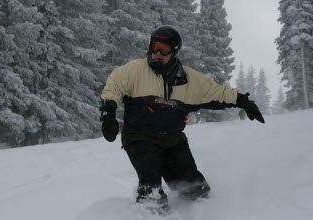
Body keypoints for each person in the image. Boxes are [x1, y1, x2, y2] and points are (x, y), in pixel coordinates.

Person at [99, 25, 264, 209]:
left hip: (172, 140)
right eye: (154, 47)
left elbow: (216, 92)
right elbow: (114, 87)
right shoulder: (135, 71)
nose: (157, 53)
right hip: (139, 136)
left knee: (195, 189)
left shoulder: (188, 80)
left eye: (164, 49)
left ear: (175, 51)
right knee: (150, 186)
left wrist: (243, 101)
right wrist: (108, 114)